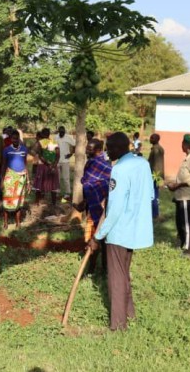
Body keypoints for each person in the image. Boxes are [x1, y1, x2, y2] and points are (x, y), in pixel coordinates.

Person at [88, 132, 154, 331]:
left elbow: (114, 212)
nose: (107, 152)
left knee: (116, 278)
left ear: (117, 148)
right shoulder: (143, 164)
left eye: (109, 147)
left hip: (120, 232)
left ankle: (118, 326)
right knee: (124, 273)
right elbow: (149, 194)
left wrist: (97, 237)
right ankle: (129, 313)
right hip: (136, 230)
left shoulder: (119, 170)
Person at [74, 139, 112, 273]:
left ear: (99, 150)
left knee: (105, 240)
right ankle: (91, 268)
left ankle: (105, 268)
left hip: (104, 209)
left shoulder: (107, 166)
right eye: (86, 148)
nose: (86, 151)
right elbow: (87, 186)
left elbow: (110, 188)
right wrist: (84, 202)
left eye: (90, 149)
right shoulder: (90, 164)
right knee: (91, 238)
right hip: (92, 207)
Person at [167, 134, 190, 258]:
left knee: (187, 224)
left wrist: (179, 185)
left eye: (182, 143)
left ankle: (188, 250)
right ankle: (182, 242)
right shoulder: (187, 158)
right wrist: (175, 185)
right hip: (180, 196)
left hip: (187, 197)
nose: (181, 145)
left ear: (186, 145)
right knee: (180, 222)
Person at [0, 130, 28, 229]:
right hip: (9, 177)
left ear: (19, 138)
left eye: (17, 138)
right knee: (7, 200)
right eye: (13, 138)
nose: (15, 140)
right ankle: (5, 223)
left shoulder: (24, 149)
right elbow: (3, 165)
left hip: (21, 178)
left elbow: (25, 165)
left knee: (19, 201)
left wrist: (28, 181)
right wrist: (1, 180)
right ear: (11, 139)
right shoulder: (6, 150)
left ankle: (18, 223)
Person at [31, 128, 60, 206]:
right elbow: (58, 155)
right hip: (53, 166)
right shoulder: (54, 142)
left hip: (42, 166)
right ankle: (53, 204)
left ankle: (37, 203)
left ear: (43, 134)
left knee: (39, 184)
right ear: (49, 134)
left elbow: (37, 153)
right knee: (53, 185)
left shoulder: (40, 143)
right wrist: (53, 165)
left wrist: (47, 163)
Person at [55, 126, 76, 200]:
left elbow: (74, 145)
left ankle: (67, 193)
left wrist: (71, 153)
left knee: (66, 178)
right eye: (60, 132)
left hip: (65, 160)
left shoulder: (68, 137)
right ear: (58, 131)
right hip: (57, 160)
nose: (62, 133)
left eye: (63, 132)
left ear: (65, 132)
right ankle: (57, 192)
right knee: (57, 177)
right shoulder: (55, 137)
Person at [147, 133, 165, 220]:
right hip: (157, 175)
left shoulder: (156, 150)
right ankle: (155, 213)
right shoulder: (158, 148)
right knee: (154, 194)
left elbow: (156, 165)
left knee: (153, 195)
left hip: (154, 175)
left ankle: (155, 214)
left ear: (156, 139)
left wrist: (155, 177)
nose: (150, 139)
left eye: (152, 138)